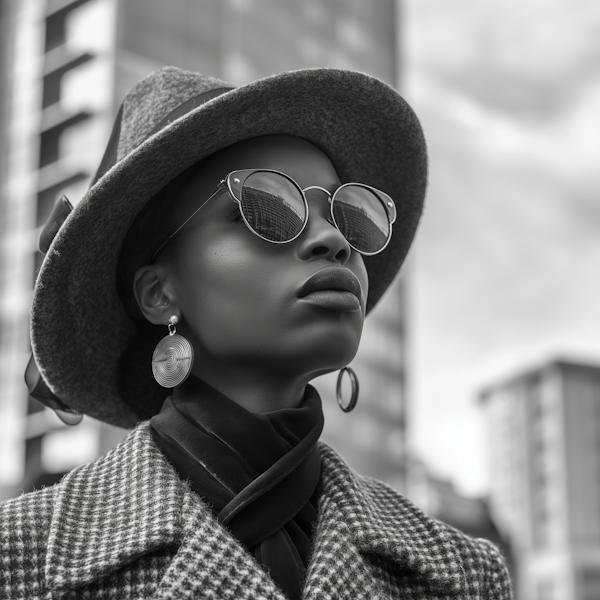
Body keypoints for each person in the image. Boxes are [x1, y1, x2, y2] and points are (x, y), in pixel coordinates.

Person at [0, 67, 513, 599]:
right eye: (267, 208)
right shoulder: (20, 556)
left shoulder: (462, 574)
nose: (335, 239)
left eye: (350, 215)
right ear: (159, 293)